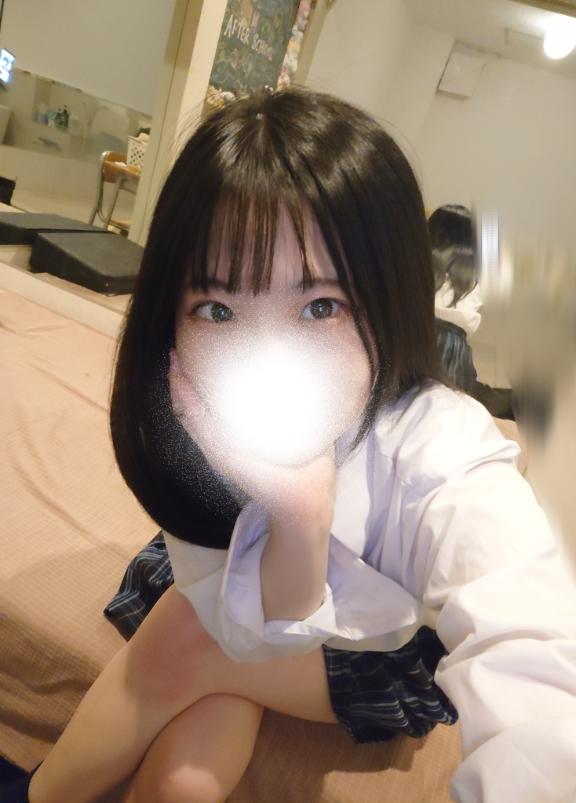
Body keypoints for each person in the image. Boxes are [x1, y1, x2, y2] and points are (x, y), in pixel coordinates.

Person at [11, 89, 576, 803]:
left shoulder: (436, 443)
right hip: (258, 604)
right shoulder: (192, 398)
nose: (267, 358)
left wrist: (304, 513)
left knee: (188, 636)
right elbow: (252, 628)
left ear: (387, 301)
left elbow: (536, 643)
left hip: (377, 650)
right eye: (218, 309)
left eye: (320, 306)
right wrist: (296, 514)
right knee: (184, 776)